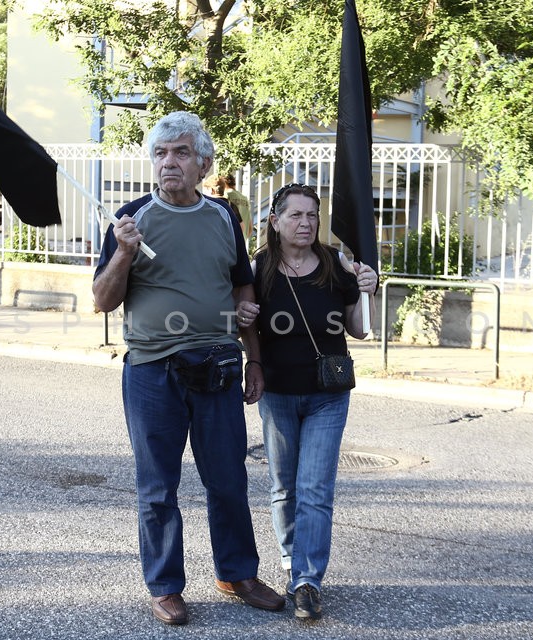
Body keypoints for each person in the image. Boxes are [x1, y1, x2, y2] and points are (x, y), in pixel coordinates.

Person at [92, 111, 284, 626]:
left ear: (203, 163)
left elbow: (242, 288)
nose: (168, 162)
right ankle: (166, 586)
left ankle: (237, 574)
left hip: (218, 363)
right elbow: (102, 301)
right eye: (160, 153)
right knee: (157, 486)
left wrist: (254, 357)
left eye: (179, 153)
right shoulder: (131, 218)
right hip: (152, 370)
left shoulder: (223, 217)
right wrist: (124, 255)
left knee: (227, 479)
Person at [235, 183, 378, 621]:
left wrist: (367, 289)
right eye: (295, 215)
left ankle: (307, 580)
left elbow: (357, 328)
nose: (305, 223)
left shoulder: (337, 265)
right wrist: (248, 344)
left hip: (327, 395)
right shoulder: (258, 268)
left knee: (315, 488)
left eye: (312, 215)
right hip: (277, 391)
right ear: (274, 221)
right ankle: (289, 560)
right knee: (284, 486)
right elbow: (247, 325)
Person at [222, 174, 252, 239]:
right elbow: (250, 226)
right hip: (242, 238)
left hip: (231, 238)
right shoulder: (244, 198)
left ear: (224, 183)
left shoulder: (226, 195)